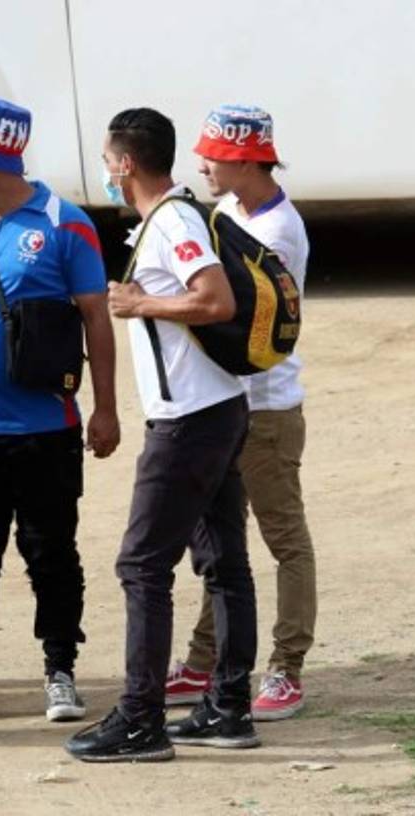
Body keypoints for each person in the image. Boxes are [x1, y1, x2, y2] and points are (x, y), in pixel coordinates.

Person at [65, 107, 259, 762]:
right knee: (222, 562)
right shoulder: (171, 217)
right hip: (218, 410)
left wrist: (138, 302)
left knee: (142, 565)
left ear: (124, 163)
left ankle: (141, 720)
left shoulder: (173, 221)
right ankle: (228, 708)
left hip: (190, 424)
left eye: (106, 158)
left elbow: (216, 301)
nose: (104, 169)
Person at [0, 95, 120, 725]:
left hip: (47, 430)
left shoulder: (66, 223)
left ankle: (60, 670)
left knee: (52, 556)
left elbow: (96, 316)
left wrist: (105, 409)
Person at [165, 105, 314, 721]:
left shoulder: (277, 233)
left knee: (284, 541)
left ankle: (287, 669)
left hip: (268, 412)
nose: (201, 163)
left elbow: (227, 314)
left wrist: (156, 304)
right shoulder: (228, 211)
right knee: (220, 537)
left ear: (247, 160)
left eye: (213, 155)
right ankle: (203, 660)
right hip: (228, 404)